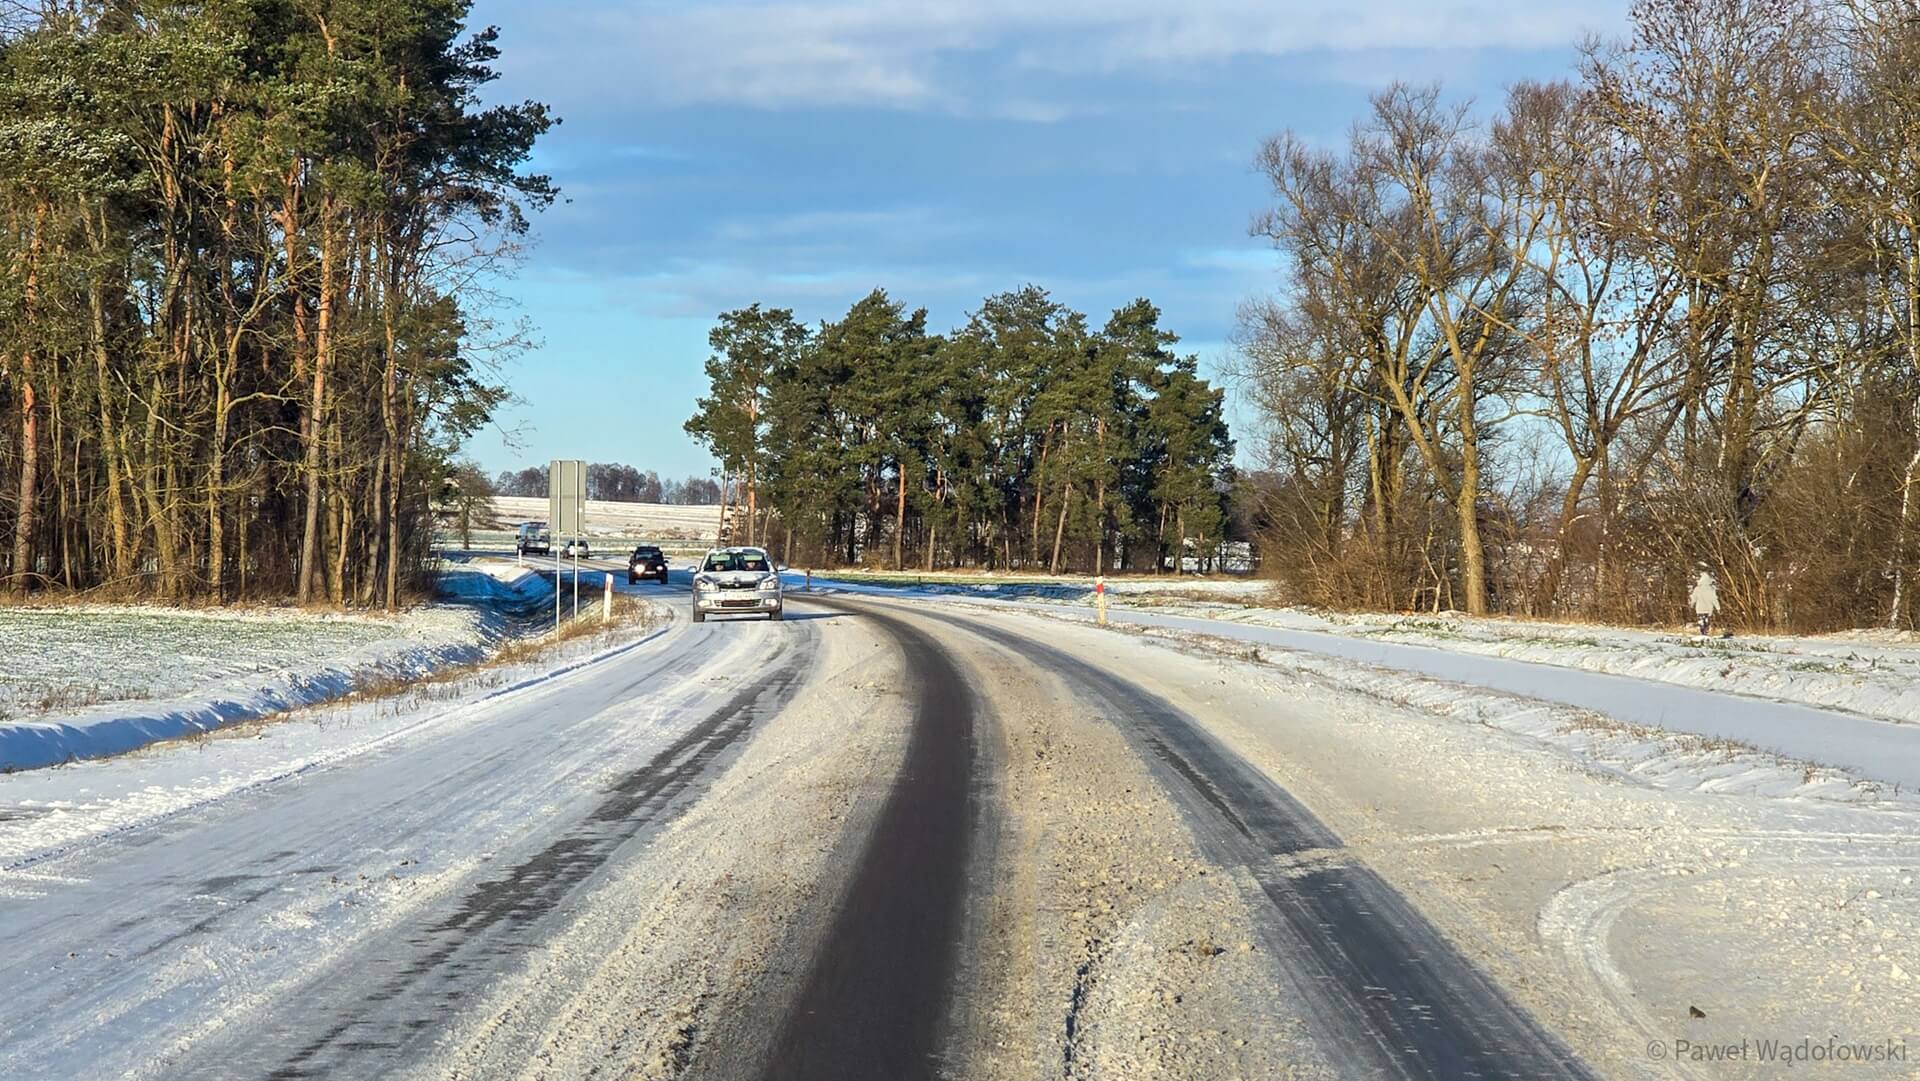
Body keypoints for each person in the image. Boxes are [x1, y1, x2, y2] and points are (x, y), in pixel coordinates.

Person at [1689, 569, 1720, 637]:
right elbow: (1714, 599)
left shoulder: (1697, 589)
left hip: (1699, 608)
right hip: (1708, 609)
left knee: (1701, 620)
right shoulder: (1711, 589)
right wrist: (1718, 607)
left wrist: (1692, 604)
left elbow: (1694, 598)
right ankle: (1705, 631)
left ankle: (1702, 631)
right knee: (1707, 621)